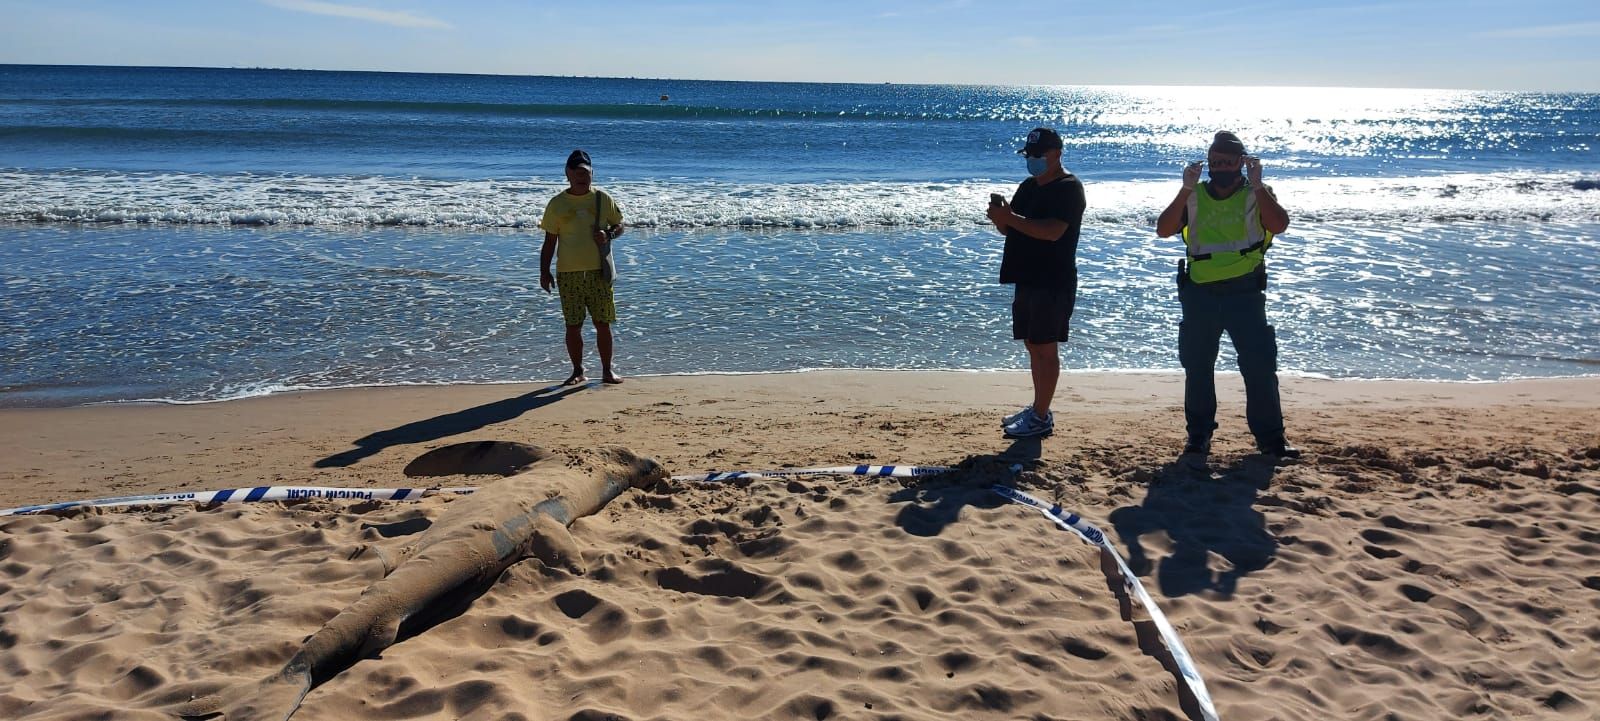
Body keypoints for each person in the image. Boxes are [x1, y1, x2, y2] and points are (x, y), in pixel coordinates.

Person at [1155, 131, 1300, 460]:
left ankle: (1271, 441)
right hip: (1199, 293)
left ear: (1241, 162)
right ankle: (1198, 437)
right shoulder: (1193, 195)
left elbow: (1279, 225)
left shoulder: (1255, 194)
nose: (1221, 167)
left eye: (1228, 162)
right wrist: (1185, 187)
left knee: (1259, 366)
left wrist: (1259, 184)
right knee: (1198, 367)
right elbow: (1163, 230)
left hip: (1245, 292)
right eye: (1215, 162)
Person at [986, 127, 1087, 439]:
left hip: (1053, 279)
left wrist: (1011, 219)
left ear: (1056, 154)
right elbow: (1013, 229)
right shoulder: (1029, 186)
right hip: (1026, 276)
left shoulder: (1069, 187)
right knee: (1033, 344)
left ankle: (1041, 415)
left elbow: (1052, 231)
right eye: (1028, 155)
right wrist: (1001, 219)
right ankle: (1038, 407)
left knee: (1045, 345)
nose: (1032, 160)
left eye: (1037, 155)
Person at [540, 149, 626, 385]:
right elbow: (549, 242)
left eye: (585, 172)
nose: (581, 176)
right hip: (568, 274)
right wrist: (544, 271)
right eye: (576, 172)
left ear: (591, 174)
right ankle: (577, 371)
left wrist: (609, 234)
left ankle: (607, 371)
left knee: (603, 323)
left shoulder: (601, 198)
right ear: (567, 174)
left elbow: (620, 225)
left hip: (599, 271)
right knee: (573, 325)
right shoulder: (557, 204)